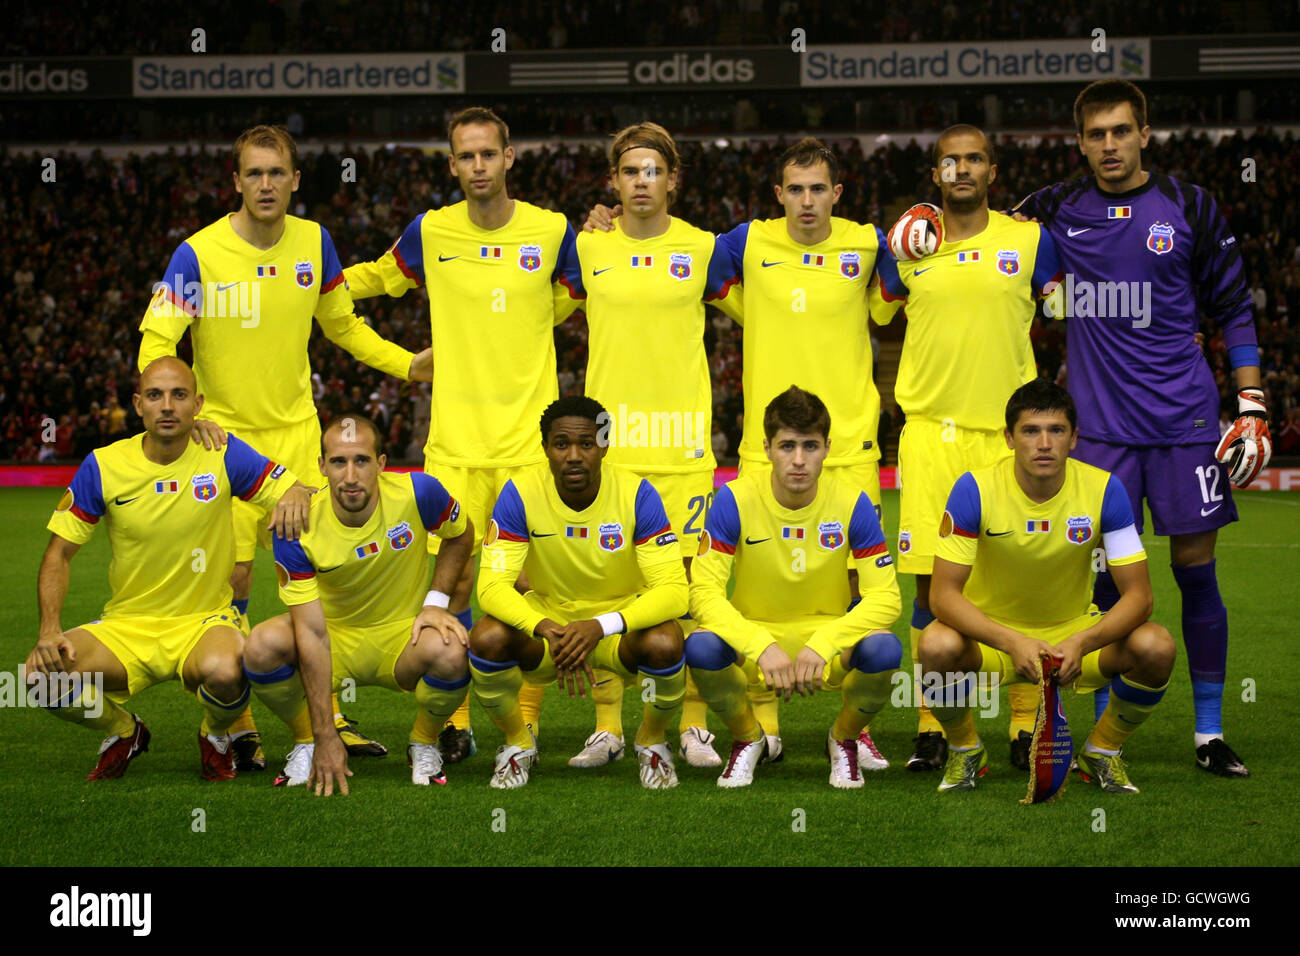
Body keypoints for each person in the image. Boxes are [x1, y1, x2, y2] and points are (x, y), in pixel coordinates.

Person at [587, 137, 896, 769]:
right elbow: (655, 250)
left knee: (853, 587)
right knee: (755, 586)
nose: (807, 201)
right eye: (795, 189)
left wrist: (948, 225)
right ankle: (763, 721)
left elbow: (906, 283)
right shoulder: (741, 244)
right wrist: (608, 222)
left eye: (819, 189)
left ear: (836, 195)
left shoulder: (868, 244)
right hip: (767, 443)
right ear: (777, 195)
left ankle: (854, 727)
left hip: (852, 443)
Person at [138, 124, 430, 769]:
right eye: (254, 173)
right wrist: (188, 415)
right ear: (236, 181)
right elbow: (158, 342)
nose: (266, 184)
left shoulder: (314, 242)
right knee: (233, 582)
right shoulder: (197, 254)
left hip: (300, 440)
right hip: (227, 447)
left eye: (277, 173)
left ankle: (326, 718)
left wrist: (407, 365)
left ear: (295, 181)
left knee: (321, 578)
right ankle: (236, 721)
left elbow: (342, 325)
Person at [1013, 80, 1266, 776]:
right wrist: (926, 222)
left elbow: (1235, 309)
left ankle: (1208, 735)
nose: (1109, 145)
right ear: (1080, 141)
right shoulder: (1057, 209)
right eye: (1096, 134)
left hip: (1185, 424)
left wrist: (1251, 404)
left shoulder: (1189, 206)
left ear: (1145, 132)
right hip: (1099, 434)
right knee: (1101, 588)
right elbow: (984, 234)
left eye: (1121, 131)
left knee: (1196, 575)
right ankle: (1098, 734)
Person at [346, 107, 584, 762]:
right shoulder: (432, 231)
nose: (478, 166)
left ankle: (527, 720)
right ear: (452, 165)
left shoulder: (554, 231)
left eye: (488, 154)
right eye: (465, 156)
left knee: (531, 587)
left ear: (510, 157)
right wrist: (313, 279)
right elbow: (375, 277)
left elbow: (583, 293)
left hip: (525, 446)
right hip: (453, 445)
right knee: (450, 584)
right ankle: (449, 720)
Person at [871, 125, 1064, 774]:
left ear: (992, 170)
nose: (961, 168)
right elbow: (865, 304)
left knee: (1016, 584)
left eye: (973, 158)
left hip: (1005, 438)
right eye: (950, 160)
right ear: (935, 173)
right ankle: (934, 724)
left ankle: (1019, 722)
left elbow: (1069, 308)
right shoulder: (908, 248)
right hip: (930, 435)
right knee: (932, 590)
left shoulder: (1030, 240)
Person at [25, 357, 309, 781]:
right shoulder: (104, 465)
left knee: (230, 670)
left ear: (198, 404)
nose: (167, 406)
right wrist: (50, 629)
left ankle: (214, 733)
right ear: (138, 405)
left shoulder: (222, 452)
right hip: (128, 627)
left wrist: (293, 495)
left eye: (179, 395)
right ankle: (124, 732)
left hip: (203, 623)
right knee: (37, 678)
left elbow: (293, 488)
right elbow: (58, 554)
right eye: (155, 396)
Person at [557, 122, 741, 770]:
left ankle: (691, 725)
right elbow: (533, 310)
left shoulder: (704, 248)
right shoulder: (586, 249)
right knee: (611, 589)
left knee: (688, 590)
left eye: (653, 171)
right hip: (615, 448)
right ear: (614, 181)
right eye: (630, 172)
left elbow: (764, 307)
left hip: (683, 450)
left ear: (673, 179)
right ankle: (609, 727)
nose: (641, 182)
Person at [922, 379, 1175, 794]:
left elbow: (1139, 596)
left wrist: (1082, 642)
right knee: (935, 645)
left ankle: (1103, 751)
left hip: (1070, 636)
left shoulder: (1105, 490)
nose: (1044, 443)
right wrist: (1012, 641)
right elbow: (943, 595)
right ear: (1009, 438)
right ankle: (965, 749)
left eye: (1056, 431)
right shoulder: (974, 489)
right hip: (994, 639)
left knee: (1156, 646)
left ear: (1074, 438)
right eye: (1030, 431)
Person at [243, 414, 474, 794]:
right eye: (338, 462)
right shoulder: (296, 524)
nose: (350, 476)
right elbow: (312, 632)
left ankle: (423, 740)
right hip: (331, 639)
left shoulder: (419, 492)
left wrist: (435, 603)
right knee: (261, 645)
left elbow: (461, 534)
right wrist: (324, 735)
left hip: (403, 638)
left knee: (453, 649)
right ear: (321, 467)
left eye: (361, 460)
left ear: (381, 464)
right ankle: (305, 740)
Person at [467, 396, 690, 789]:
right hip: (552, 625)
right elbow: (490, 587)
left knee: (666, 640)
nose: (573, 455)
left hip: (617, 628)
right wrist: (544, 626)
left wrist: (600, 626)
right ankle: (518, 744)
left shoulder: (637, 493)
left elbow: (674, 591)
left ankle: (652, 743)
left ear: (603, 446)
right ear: (546, 449)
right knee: (487, 636)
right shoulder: (520, 493)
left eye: (586, 444)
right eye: (561, 444)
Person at [686, 386, 902, 788]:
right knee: (700, 646)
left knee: (885, 648)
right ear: (766, 447)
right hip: (756, 644)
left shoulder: (852, 502)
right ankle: (747, 738)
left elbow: (887, 597)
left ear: (827, 448)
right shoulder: (734, 498)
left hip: (827, 647)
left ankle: (844, 738)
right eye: (787, 446)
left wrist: (824, 642)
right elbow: (702, 591)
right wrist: (759, 644)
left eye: (810, 446)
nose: (799, 460)